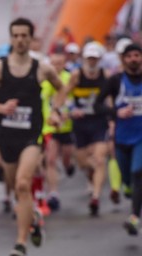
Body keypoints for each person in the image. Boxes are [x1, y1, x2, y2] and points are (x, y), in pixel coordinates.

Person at [0, 17, 64, 256]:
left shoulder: (42, 68)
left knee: (24, 184)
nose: (20, 40)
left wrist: (56, 110)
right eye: (15, 35)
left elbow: (61, 88)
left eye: (24, 35)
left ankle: (20, 242)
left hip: (31, 137)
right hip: (7, 137)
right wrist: (1, 107)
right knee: (16, 189)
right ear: (11, 38)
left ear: (31, 38)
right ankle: (33, 218)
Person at [94, 42, 142, 236]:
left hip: (141, 137)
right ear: (123, 59)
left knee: (138, 172)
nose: (133, 59)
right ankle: (128, 188)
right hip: (122, 138)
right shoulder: (115, 81)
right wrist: (116, 112)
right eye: (129, 56)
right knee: (127, 179)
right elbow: (97, 105)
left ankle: (134, 217)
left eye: (137, 55)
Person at [60, 42, 110, 216]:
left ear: (99, 59)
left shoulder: (105, 75)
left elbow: (111, 97)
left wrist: (111, 118)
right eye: (89, 58)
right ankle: (93, 175)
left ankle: (95, 197)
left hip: (99, 122)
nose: (92, 61)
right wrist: (70, 110)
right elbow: (64, 94)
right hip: (80, 124)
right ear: (84, 59)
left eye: (95, 58)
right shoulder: (77, 75)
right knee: (82, 161)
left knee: (100, 159)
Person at [41, 52, 75, 213]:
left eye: (59, 63)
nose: (56, 67)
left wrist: (69, 112)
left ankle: (69, 166)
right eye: (53, 64)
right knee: (51, 160)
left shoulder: (69, 78)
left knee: (67, 157)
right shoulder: (45, 81)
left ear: (64, 63)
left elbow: (75, 100)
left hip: (67, 126)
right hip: (49, 127)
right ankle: (53, 193)